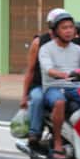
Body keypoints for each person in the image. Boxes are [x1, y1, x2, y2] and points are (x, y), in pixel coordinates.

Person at [38, 9, 80, 159]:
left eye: (71, 27)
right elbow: (48, 69)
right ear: (56, 31)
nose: (68, 31)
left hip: (76, 87)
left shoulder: (79, 50)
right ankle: (58, 143)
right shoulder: (46, 49)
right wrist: (62, 74)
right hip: (54, 87)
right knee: (59, 102)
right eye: (64, 28)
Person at [21, 9, 59, 147]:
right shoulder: (38, 42)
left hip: (62, 85)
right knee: (37, 98)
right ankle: (34, 133)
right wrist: (24, 95)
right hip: (40, 85)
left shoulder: (70, 42)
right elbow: (30, 70)